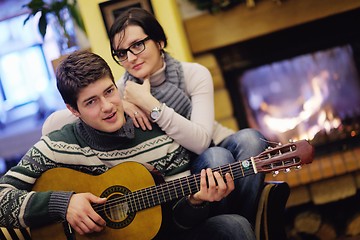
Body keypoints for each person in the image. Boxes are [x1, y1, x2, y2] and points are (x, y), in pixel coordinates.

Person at [0, 50, 256, 240]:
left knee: (234, 226)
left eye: (109, 92)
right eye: (91, 102)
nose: (108, 107)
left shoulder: (159, 135)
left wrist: (196, 202)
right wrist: (64, 204)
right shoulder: (57, 146)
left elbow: (179, 222)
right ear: (73, 110)